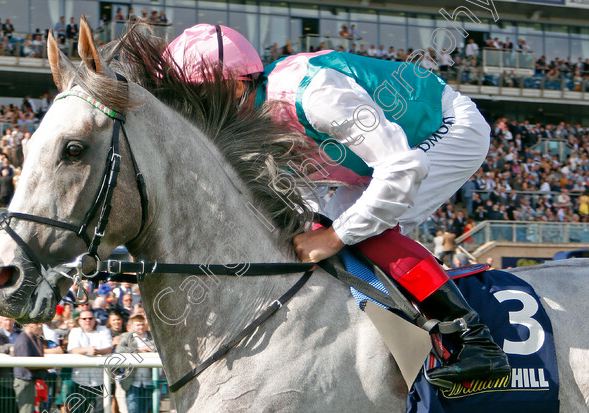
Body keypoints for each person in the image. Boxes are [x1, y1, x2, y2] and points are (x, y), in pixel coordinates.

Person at [165, 24, 509, 388]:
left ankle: (474, 341)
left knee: (358, 233)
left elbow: (403, 167)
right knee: (326, 231)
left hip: (446, 129)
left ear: (235, 85)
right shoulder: (254, 117)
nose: (190, 112)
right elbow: (304, 199)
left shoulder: (315, 94)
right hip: (378, 157)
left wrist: (336, 235)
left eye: (194, 98)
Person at [67, 310, 113, 413]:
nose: (87, 320)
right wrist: (88, 350)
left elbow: (109, 348)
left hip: (101, 381)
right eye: (84, 318)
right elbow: (73, 349)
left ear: (94, 319)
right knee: (79, 411)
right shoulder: (75, 332)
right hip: (80, 381)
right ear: (79, 321)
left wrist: (97, 351)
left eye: (90, 318)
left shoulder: (104, 330)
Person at [115, 315, 155, 413]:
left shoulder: (152, 336)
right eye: (137, 325)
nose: (140, 327)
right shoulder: (127, 336)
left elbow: (161, 347)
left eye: (142, 325)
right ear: (132, 326)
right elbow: (119, 349)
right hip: (132, 383)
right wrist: (138, 350)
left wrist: (151, 349)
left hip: (149, 382)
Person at [13, 323, 47, 413]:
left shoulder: (35, 338)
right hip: (25, 383)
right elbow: (26, 364)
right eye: (37, 324)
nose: (40, 326)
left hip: (32, 382)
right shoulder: (23, 340)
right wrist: (45, 366)